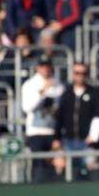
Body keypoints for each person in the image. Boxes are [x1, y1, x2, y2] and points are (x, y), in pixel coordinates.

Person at [52, 62, 99, 179]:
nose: (80, 76)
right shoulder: (66, 93)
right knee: (66, 171)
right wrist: (56, 138)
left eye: (83, 73)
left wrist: (93, 135)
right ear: (72, 74)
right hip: (69, 141)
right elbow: (59, 117)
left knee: (90, 169)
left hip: (86, 142)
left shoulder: (93, 93)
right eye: (77, 73)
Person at [21, 54, 64, 182]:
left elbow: (61, 107)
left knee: (55, 165)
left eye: (47, 66)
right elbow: (27, 107)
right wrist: (42, 92)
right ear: (37, 68)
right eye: (42, 66)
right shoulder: (29, 84)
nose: (45, 69)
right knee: (38, 165)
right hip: (35, 131)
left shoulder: (58, 85)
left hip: (53, 131)